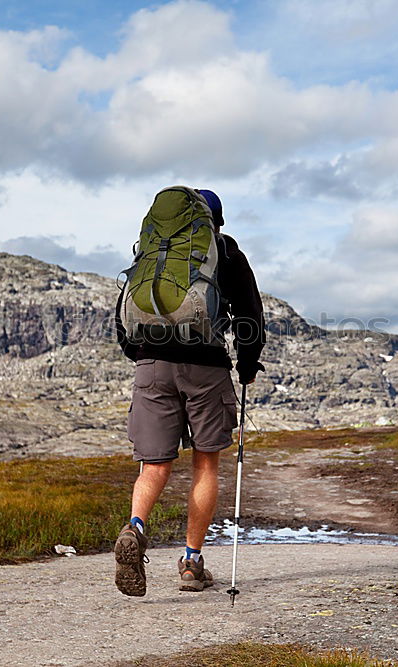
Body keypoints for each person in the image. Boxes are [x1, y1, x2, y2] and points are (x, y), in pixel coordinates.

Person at [112, 188, 265, 597]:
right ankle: (191, 563)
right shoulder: (224, 251)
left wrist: (143, 355)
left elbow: (124, 310)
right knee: (205, 465)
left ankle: (135, 528)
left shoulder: (152, 249)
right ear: (213, 219)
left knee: (154, 466)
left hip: (151, 366)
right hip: (206, 368)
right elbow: (250, 314)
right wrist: (247, 365)